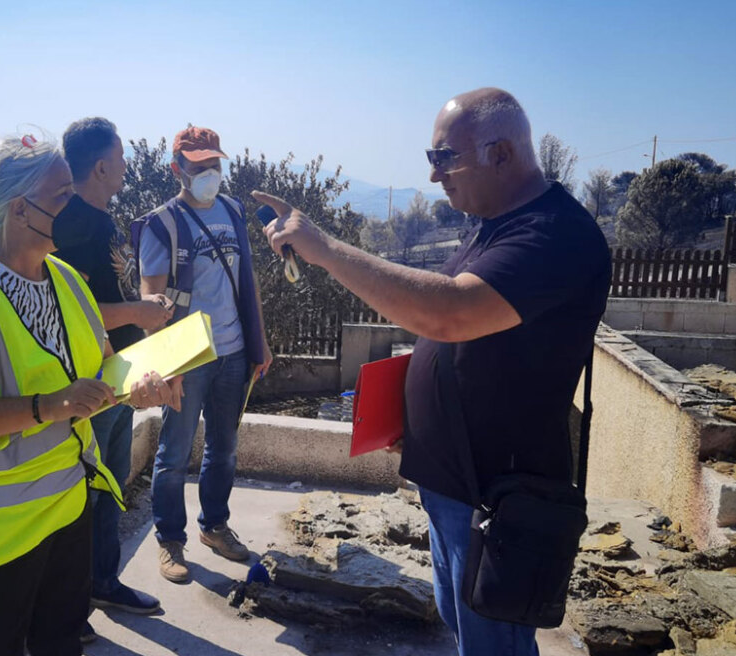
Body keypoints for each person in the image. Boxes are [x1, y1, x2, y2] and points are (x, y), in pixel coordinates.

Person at [255, 88, 611, 656]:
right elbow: (458, 342)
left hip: (497, 493)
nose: (434, 175)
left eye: (446, 158)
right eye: (431, 157)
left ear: (501, 153)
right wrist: (414, 417)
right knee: (461, 619)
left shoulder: (554, 235)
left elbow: (446, 313)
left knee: (493, 637)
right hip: (453, 481)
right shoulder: (490, 223)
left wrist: (323, 247)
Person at [0, 131, 179, 656]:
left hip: (64, 509)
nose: (74, 203)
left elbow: (96, 374)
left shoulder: (67, 280)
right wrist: (48, 407)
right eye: (61, 195)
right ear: (20, 211)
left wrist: (140, 385)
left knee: (61, 643)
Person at [136, 125, 273, 583]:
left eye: (215, 163)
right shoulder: (163, 223)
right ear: (178, 169)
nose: (209, 172)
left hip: (234, 352)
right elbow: (151, 299)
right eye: (198, 166)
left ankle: (215, 527)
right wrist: (166, 366)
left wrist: (260, 343)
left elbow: (246, 283)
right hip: (188, 359)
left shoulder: (232, 211)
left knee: (225, 449)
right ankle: (169, 540)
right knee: (173, 453)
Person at [53, 117, 170, 633]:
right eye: (121, 159)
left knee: (110, 485)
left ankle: (102, 582)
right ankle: (70, 609)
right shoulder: (75, 223)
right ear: (101, 166)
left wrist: (139, 314)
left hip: (119, 375)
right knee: (84, 491)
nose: (126, 167)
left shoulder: (99, 218)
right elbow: (65, 308)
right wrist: (137, 313)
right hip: (89, 381)